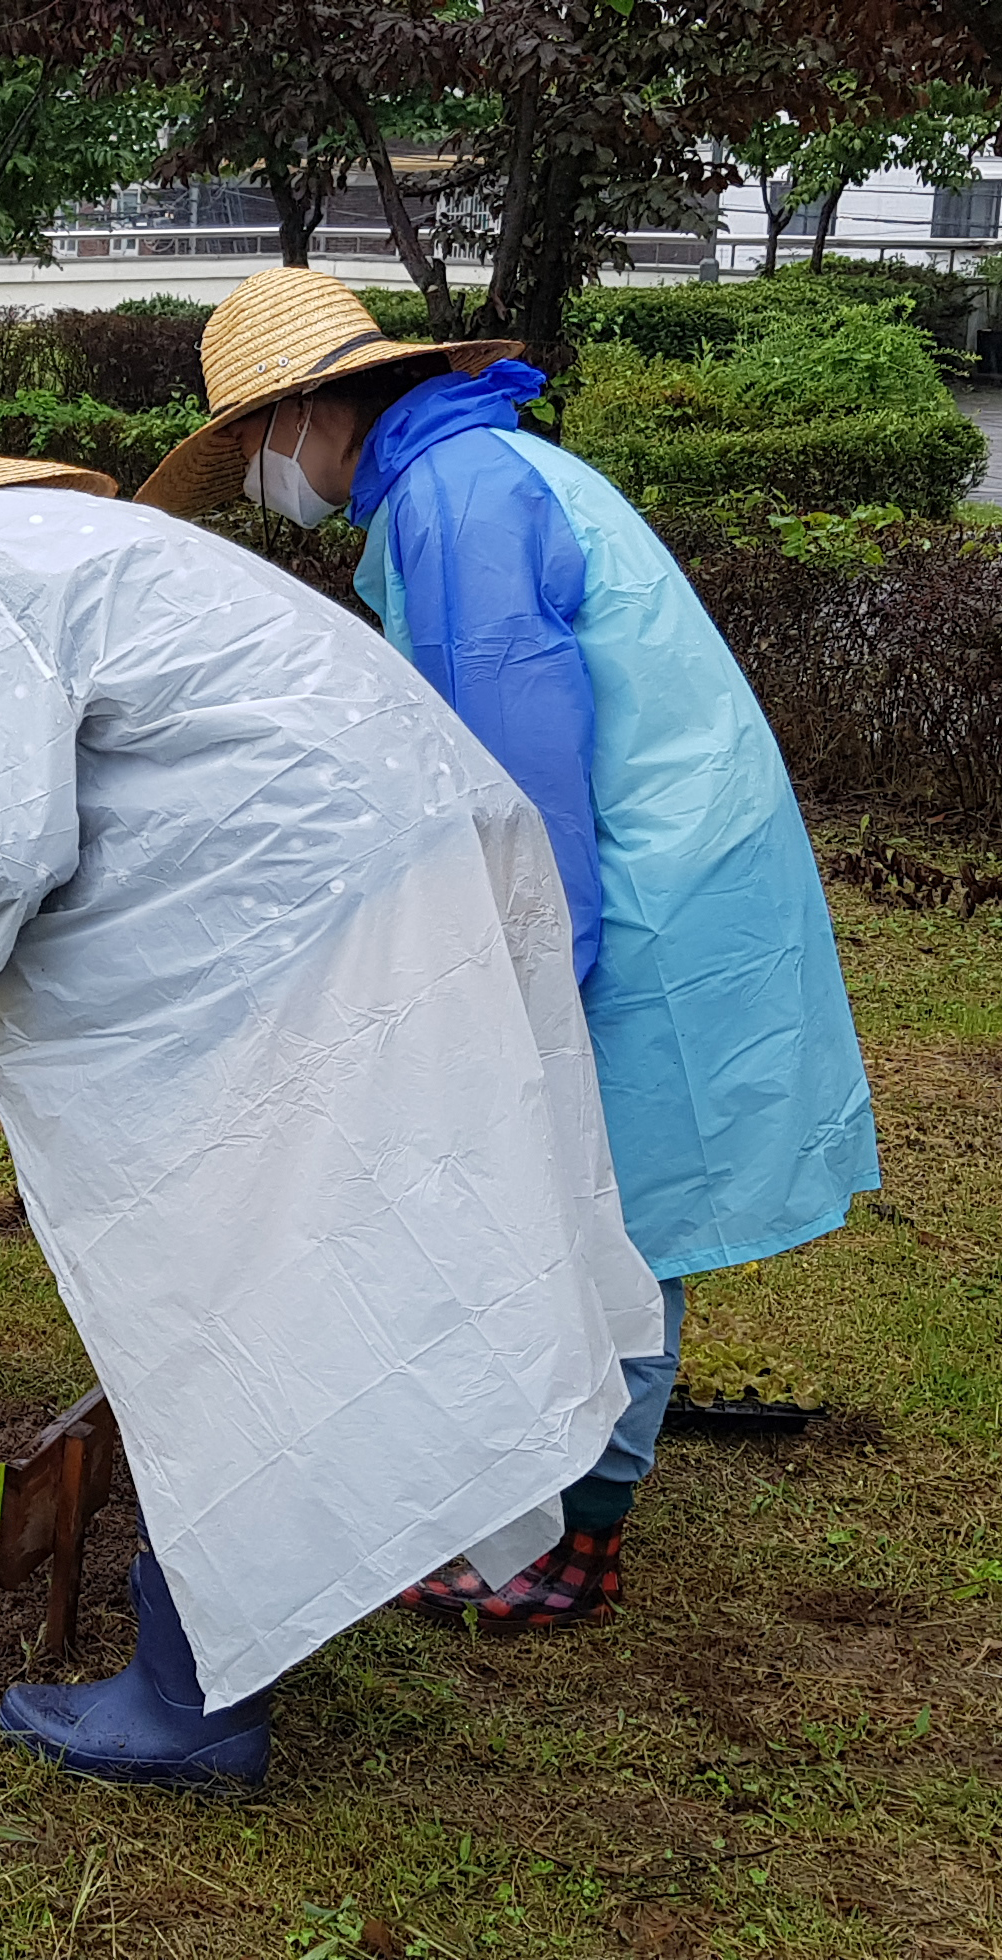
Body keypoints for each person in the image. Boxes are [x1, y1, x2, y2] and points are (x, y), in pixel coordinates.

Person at [0, 353, 663, 1788]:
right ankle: (265, 1609)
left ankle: (197, 1684)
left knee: (222, 1272)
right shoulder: (70, 543)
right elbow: (80, 797)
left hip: (297, 938)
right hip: (402, 886)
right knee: (349, 1251)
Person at [140, 268, 879, 1629]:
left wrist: (526, 967)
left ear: (313, 412)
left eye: (255, 439)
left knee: (601, 1197)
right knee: (590, 1186)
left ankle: (576, 1535)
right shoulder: (466, 473)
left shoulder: (461, 499)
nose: (259, 472)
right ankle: (538, 1480)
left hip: (635, 888)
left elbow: (522, 760)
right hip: (654, 862)